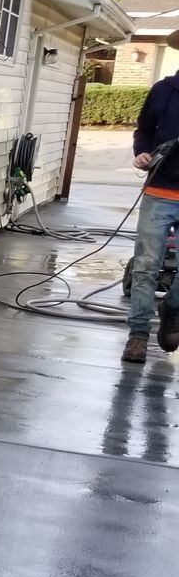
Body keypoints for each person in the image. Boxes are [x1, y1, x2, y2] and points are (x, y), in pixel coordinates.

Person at [126, 55, 179, 364]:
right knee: (145, 266)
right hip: (159, 191)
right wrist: (142, 153)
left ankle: (172, 310)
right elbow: (143, 130)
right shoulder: (163, 90)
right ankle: (138, 336)